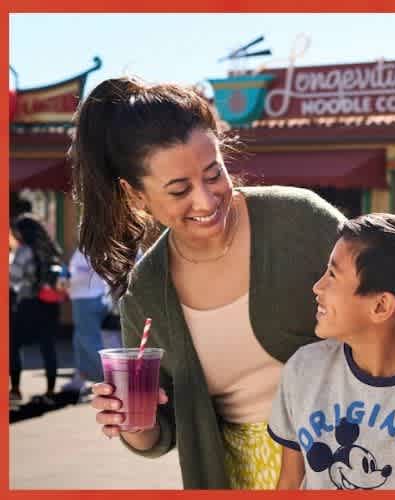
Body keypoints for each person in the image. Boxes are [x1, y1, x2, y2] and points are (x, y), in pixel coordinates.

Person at [72, 76, 346, 489]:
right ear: (136, 195)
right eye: (179, 190)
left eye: (213, 173)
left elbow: (393, 321)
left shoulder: (301, 221)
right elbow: (160, 431)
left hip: (351, 458)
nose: (205, 200)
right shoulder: (147, 294)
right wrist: (129, 423)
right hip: (234, 476)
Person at [268, 213, 395, 490]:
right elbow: (290, 481)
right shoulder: (303, 369)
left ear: (381, 307)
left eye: (332, 275)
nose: (318, 287)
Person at [9, 216, 64, 404]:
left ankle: (15, 390)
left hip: (27, 305)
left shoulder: (23, 252)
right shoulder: (52, 249)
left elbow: (13, 280)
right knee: (48, 347)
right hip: (50, 305)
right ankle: (50, 392)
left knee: (13, 346)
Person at [62, 248, 111, 394]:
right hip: (90, 298)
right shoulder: (91, 248)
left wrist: (65, 280)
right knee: (80, 339)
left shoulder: (91, 249)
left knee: (89, 341)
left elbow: (81, 276)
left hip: (86, 299)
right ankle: (81, 377)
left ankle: (113, 378)